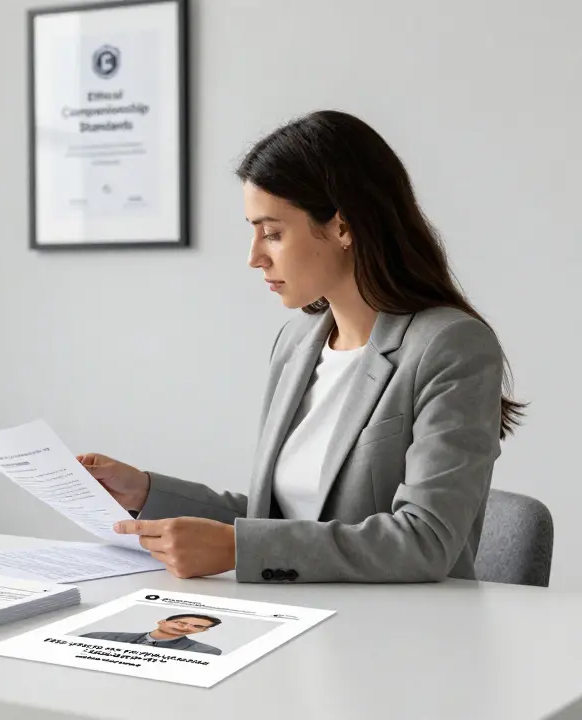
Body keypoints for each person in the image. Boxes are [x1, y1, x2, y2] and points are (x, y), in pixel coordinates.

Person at [78, 110, 526, 584]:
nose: (254, 257)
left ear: (342, 227)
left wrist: (238, 549)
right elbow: (278, 520)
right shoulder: (297, 343)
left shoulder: (449, 346)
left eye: (272, 233)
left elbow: (425, 541)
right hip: (295, 614)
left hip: (400, 623)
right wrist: (145, 492)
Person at [81, 614, 223, 655]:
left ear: (203, 630)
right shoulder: (96, 637)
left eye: (197, 626)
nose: (186, 628)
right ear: (162, 622)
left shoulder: (206, 652)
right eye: (180, 622)